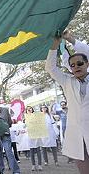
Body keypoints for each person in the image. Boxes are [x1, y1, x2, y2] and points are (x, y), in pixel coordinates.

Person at [45, 31, 89, 173]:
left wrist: (70, 39)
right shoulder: (67, 81)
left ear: (87, 63)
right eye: (72, 65)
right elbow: (50, 68)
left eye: (80, 63)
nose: (76, 66)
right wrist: (55, 44)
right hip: (77, 135)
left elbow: (86, 51)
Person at [0, 98, 20, 174]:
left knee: (9, 152)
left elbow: (10, 122)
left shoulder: (5, 110)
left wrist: (4, 127)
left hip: (5, 134)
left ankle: (16, 171)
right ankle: (0, 171)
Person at [26, 106, 43, 171]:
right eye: (28, 109)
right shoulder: (25, 117)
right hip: (30, 136)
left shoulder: (36, 116)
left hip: (36, 135)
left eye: (30, 109)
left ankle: (39, 165)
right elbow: (24, 126)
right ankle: (33, 165)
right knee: (31, 151)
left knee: (38, 150)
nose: (29, 110)